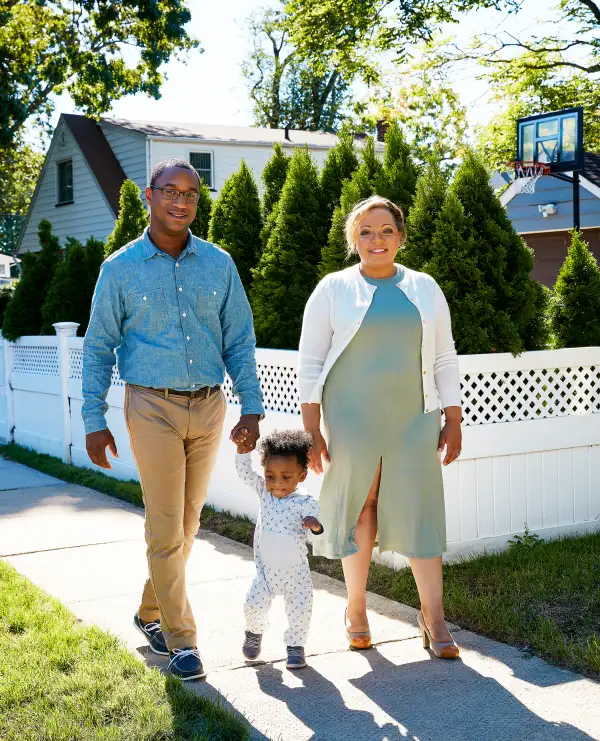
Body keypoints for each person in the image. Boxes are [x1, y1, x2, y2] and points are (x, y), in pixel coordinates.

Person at [82, 158, 264, 681]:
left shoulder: (219, 264)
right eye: (171, 191)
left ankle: (147, 612)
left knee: (186, 526)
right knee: (165, 525)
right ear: (149, 195)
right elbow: (98, 348)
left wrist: (250, 405)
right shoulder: (119, 269)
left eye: (191, 193)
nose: (181, 201)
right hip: (151, 406)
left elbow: (238, 339)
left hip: (209, 406)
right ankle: (182, 640)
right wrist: (95, 419)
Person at [298, 195, 462, 659]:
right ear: (353, 239)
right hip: (351, 412)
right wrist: (312, 428)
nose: (376, 239)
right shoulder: (333, 289)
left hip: (417, 413)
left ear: (401, 236)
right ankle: (356, 610)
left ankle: (433, 617)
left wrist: (453, 417)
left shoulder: (425, 287)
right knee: (361, 502)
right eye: (366, 231)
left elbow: (445, 355)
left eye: (386, 230)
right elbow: (310, 362)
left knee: (418, 506)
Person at [234, 428, 324, 670]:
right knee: (253, 604)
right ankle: (254, 633)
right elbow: (246, 474)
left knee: (301, 612)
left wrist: (314, 527)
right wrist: (242, 452)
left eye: (286, 477)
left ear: (302, 476)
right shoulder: (264, 493)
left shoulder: (306, 503)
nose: (277, 484)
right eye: (270, 476)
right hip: (266, 572)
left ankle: (295, 647)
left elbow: (314, 537)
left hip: (296, 574)